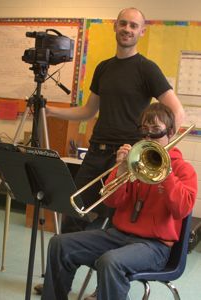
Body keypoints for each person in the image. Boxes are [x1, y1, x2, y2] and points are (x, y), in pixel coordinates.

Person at [46, 7, 185, 233]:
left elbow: (178, 113)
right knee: (73, 214)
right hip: (96, 153)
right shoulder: (103, 68)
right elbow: (88, 111)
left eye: (133, 26)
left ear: (142, 32)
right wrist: (51, 111)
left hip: (126, 155)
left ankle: (102, 266)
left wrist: (156, 151)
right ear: (115, 26)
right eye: (123, 24)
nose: (127, 29)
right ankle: (64, 263)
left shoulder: (147, 69)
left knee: (110, 222)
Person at [41, 102, 197, 300]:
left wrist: (166, 174)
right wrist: (121, 170)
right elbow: (112, 202)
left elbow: (182, 210)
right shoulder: (135, 161)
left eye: (156, 131)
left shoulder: (184, 170)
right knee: (59, 244)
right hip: (118, 236)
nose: (149, 138)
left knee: (110, 262)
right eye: (145, 131)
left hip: (154, 247)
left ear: (171, 133)